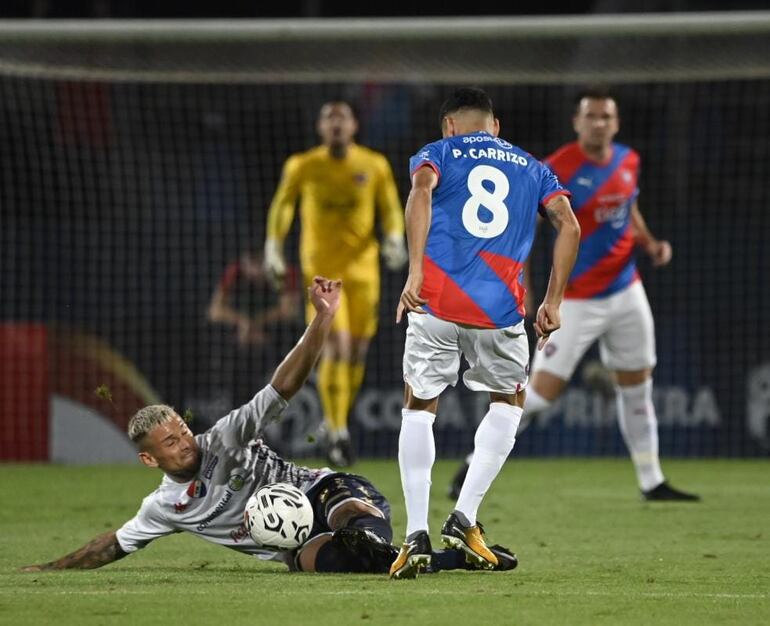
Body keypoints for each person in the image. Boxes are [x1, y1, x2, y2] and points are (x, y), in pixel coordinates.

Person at [20, 278, 515, 575]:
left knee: (353, 522)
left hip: (327, 491)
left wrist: (321, 320)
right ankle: (460, 560)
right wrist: (49, 570)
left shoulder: (226, 437)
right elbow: (114, 543)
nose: (185, 441)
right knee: (321, 563)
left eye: (182, 430)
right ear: (150, 459)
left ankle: (390, 544)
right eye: (171, 442)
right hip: (298, 544)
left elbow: (284, 386)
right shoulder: (166, 507)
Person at [448, 86, 700, 503]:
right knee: (539, 395)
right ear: (577, 122)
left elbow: (628, 208)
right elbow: (520, 227)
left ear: (615, 123)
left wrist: (649, 242)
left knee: (637, 384)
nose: (599, 123)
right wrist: (524, 285)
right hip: (576, 299)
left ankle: (652, 480)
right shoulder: (556, 168)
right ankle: (474, 459)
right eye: (592, 116)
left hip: (625, 291)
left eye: (606, 117)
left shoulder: (628, 160)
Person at [390, 88, 580, 579]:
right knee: (507, 403)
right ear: (495, 125)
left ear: (449, 125)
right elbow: (570, 226)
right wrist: (553, 301)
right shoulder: (533, 167)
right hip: (500, 312)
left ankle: (415, 536)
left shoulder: (438, 152)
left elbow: (420, 191)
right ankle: (465, 517)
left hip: (436, 302)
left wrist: (413, 273)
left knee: (419, 406)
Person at [263, 101, 408, 468]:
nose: (337, 124)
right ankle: (339, 430)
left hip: (364, 272)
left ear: (354, 125)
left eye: (342, 118)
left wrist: (394, 237)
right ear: (320, 128)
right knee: (337, 347)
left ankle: (334, 423)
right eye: (330, 119)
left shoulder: (373, 164)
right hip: (322, 274)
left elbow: (390, 205)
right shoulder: (304, 165)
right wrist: (273, 246)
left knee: (357, 352)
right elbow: (283, 205)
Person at [208, 251, 300, 349]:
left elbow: (290, 311)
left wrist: (258, 322)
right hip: (242, 334)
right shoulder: (235, 271)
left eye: (258, 263)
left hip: (276, 335)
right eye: (249, 263)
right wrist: (242, 322)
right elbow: (214, 312)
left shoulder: (281, 271)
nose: (254, 270)